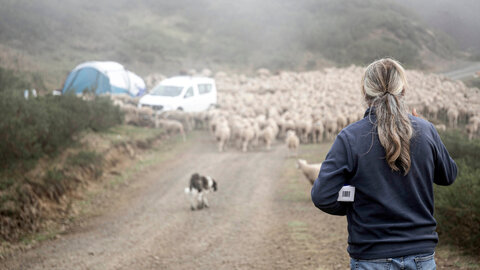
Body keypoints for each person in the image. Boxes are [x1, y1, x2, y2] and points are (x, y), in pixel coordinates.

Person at [311, 58, 457, 270]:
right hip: (421, 256)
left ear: (365, 91)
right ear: (403, 90)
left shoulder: (350, 137)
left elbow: (322, 195)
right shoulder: (425, 131)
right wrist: (428, 130)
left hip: (371, 255)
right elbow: (449, 174)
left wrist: (355, 205)